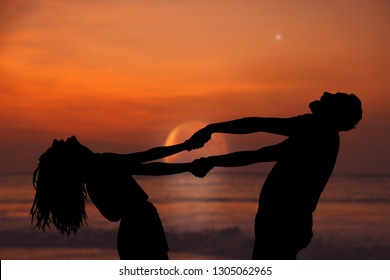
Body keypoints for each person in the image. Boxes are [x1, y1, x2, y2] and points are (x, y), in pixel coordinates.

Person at [187, 92, 363, 259]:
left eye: (334, 97)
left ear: (333, 112)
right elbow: (261, 143)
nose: (326, 93)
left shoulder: (318, 129)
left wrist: (212, 137)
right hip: (288, 223)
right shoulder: (320, 132)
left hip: (282, 224)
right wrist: (212, 149)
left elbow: (260, 138)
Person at [30, 136, 207, 260]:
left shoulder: (95, 174)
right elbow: (147, 159)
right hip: (141, 228)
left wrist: (188, 162)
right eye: (68, 144)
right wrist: (187, 149)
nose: (72, 137)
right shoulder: (99, 166)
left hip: (135, 230)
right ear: (73, 159)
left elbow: (147, 166)